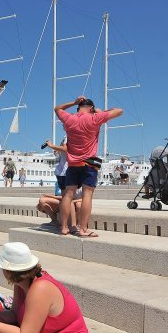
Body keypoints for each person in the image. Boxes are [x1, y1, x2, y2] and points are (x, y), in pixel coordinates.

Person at [55, 96, 122, 237]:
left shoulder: (69, 118)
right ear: (91, 108)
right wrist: (99, 111)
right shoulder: (94, 118)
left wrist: (73, 102)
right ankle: (83, 229)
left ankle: (64, 228)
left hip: (72, 163)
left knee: (68, 195)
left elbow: (57, 108)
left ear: (78, 107)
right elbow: (119, 111)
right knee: (87, 195)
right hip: (89, 162)